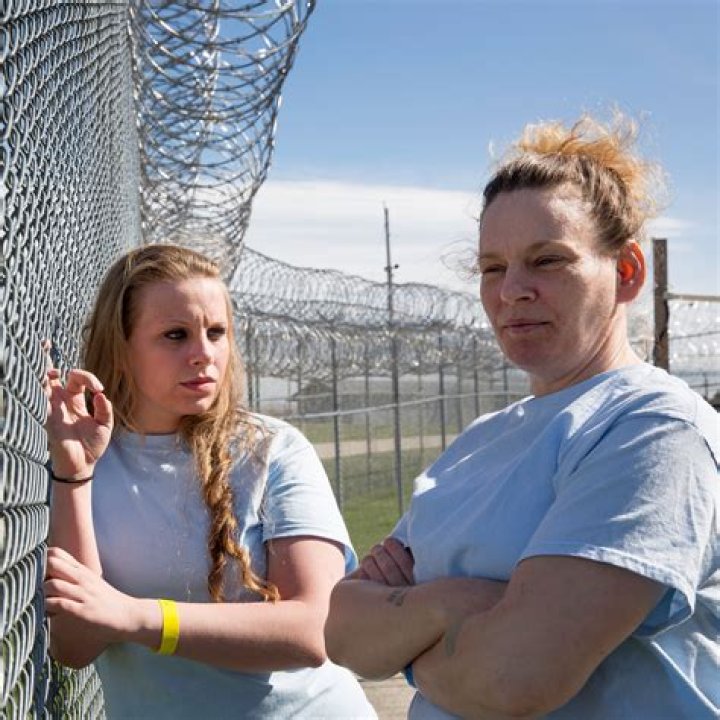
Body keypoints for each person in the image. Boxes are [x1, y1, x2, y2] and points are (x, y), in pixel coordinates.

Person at [325, 114, 719, 719]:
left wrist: (406, 634)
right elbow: (343, 631)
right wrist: (455, 604)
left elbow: (512, 679)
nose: (511, 291)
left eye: (547, 260)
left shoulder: (653, 429)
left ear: (627, 272)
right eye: (492, 267)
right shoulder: (481, 440)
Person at [44, 244, 377, 719]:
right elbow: (75, 646)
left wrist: (137, 616)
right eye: (175, 335)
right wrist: (75, 475)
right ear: (121, 349)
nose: (203, 354)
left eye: (216, 333)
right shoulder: (80, 462)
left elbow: (313, 629)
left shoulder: (273, 450)